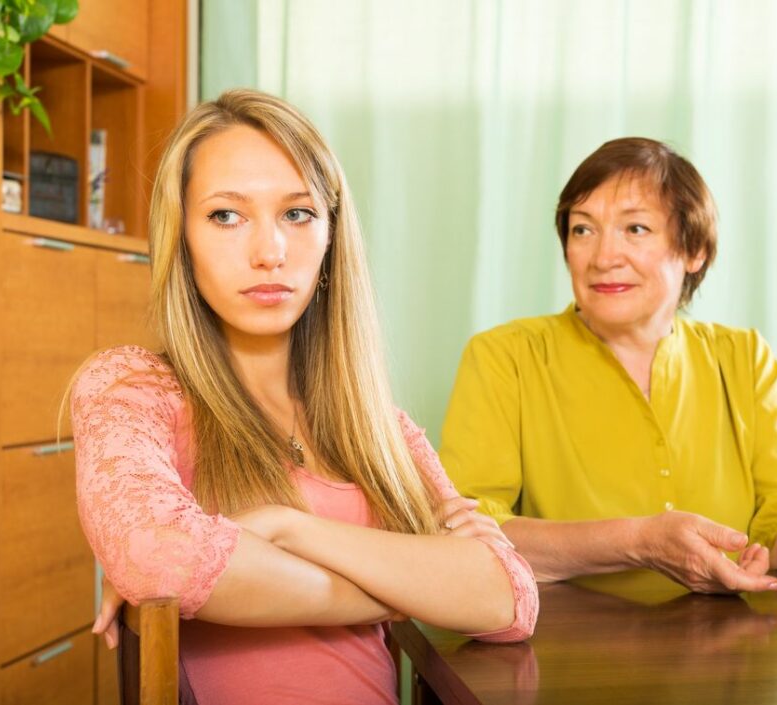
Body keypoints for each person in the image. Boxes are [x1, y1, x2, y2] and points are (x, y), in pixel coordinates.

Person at [72, 89, 537, 705]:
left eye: (297, 214)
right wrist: (409, 582)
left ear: (329, 240)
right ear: (180, 239)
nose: (270, 253)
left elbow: (509, 598)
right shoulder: (133, 389)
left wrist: (283, 529)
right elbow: (157, 557)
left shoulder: (382, 430)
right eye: (225, 216)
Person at [439, 137, 777, 595]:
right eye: (583, 228)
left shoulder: (743, 357)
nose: (602, 255)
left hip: (734, 657)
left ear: (694, 250)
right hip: (564, 654)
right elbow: (469, 528)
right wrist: (637, 540)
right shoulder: (504, 355)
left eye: (635, 229)